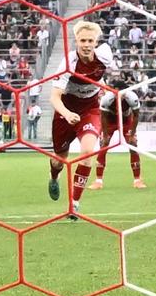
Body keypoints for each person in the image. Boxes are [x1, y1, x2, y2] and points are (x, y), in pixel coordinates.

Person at [46, 21, 118, 220]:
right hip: (66, 108)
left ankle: (74, 204)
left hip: (90, 108)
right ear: (76, 41)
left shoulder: (105, 55)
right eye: (82, 40)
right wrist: (67, 114)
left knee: (87, 151)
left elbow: (98, 74)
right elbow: (54, 97)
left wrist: (103, 86)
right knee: (59, 158)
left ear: (96, 42)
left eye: (90, 40)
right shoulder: (68, 63)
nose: (86, 44)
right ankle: (54, 177)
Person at [92, 86, 145, 190]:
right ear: (113, 91)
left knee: (133, 146)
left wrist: (132, 134)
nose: (120, 95)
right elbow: (102, 117)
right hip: (109, 122)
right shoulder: (106, 99)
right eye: (117, 92)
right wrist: (105, 135)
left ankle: (137, 180)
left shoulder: (132, 97)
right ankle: (98, 181)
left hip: (126, 122)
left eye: (123, 93)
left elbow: (136, 115)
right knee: (103, 146)